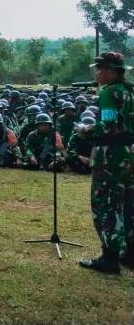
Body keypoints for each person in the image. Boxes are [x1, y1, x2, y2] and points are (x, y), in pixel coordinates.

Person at [78, 53, 134, 273]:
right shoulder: (130, 91)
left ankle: (109, 258)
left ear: (112, 71)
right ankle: (128, 254)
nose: (97, 73)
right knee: (128, 202)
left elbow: (108, 124)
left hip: (110, 154)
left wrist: (86, 129)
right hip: (129, 152)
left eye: (100, 69)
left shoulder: (109, 93)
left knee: (105, 203)